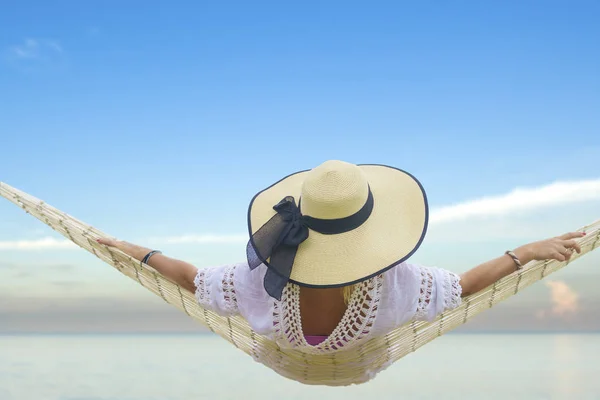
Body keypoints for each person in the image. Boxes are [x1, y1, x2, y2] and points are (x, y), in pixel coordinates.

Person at [97, 160, 585, 350]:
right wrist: (523, 253)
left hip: (293, 356)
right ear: (368, 228)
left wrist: (136, 251)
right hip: (360, 361)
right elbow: (464, 288)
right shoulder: (398, 284)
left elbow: (191, 278)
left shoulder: (264, 276)